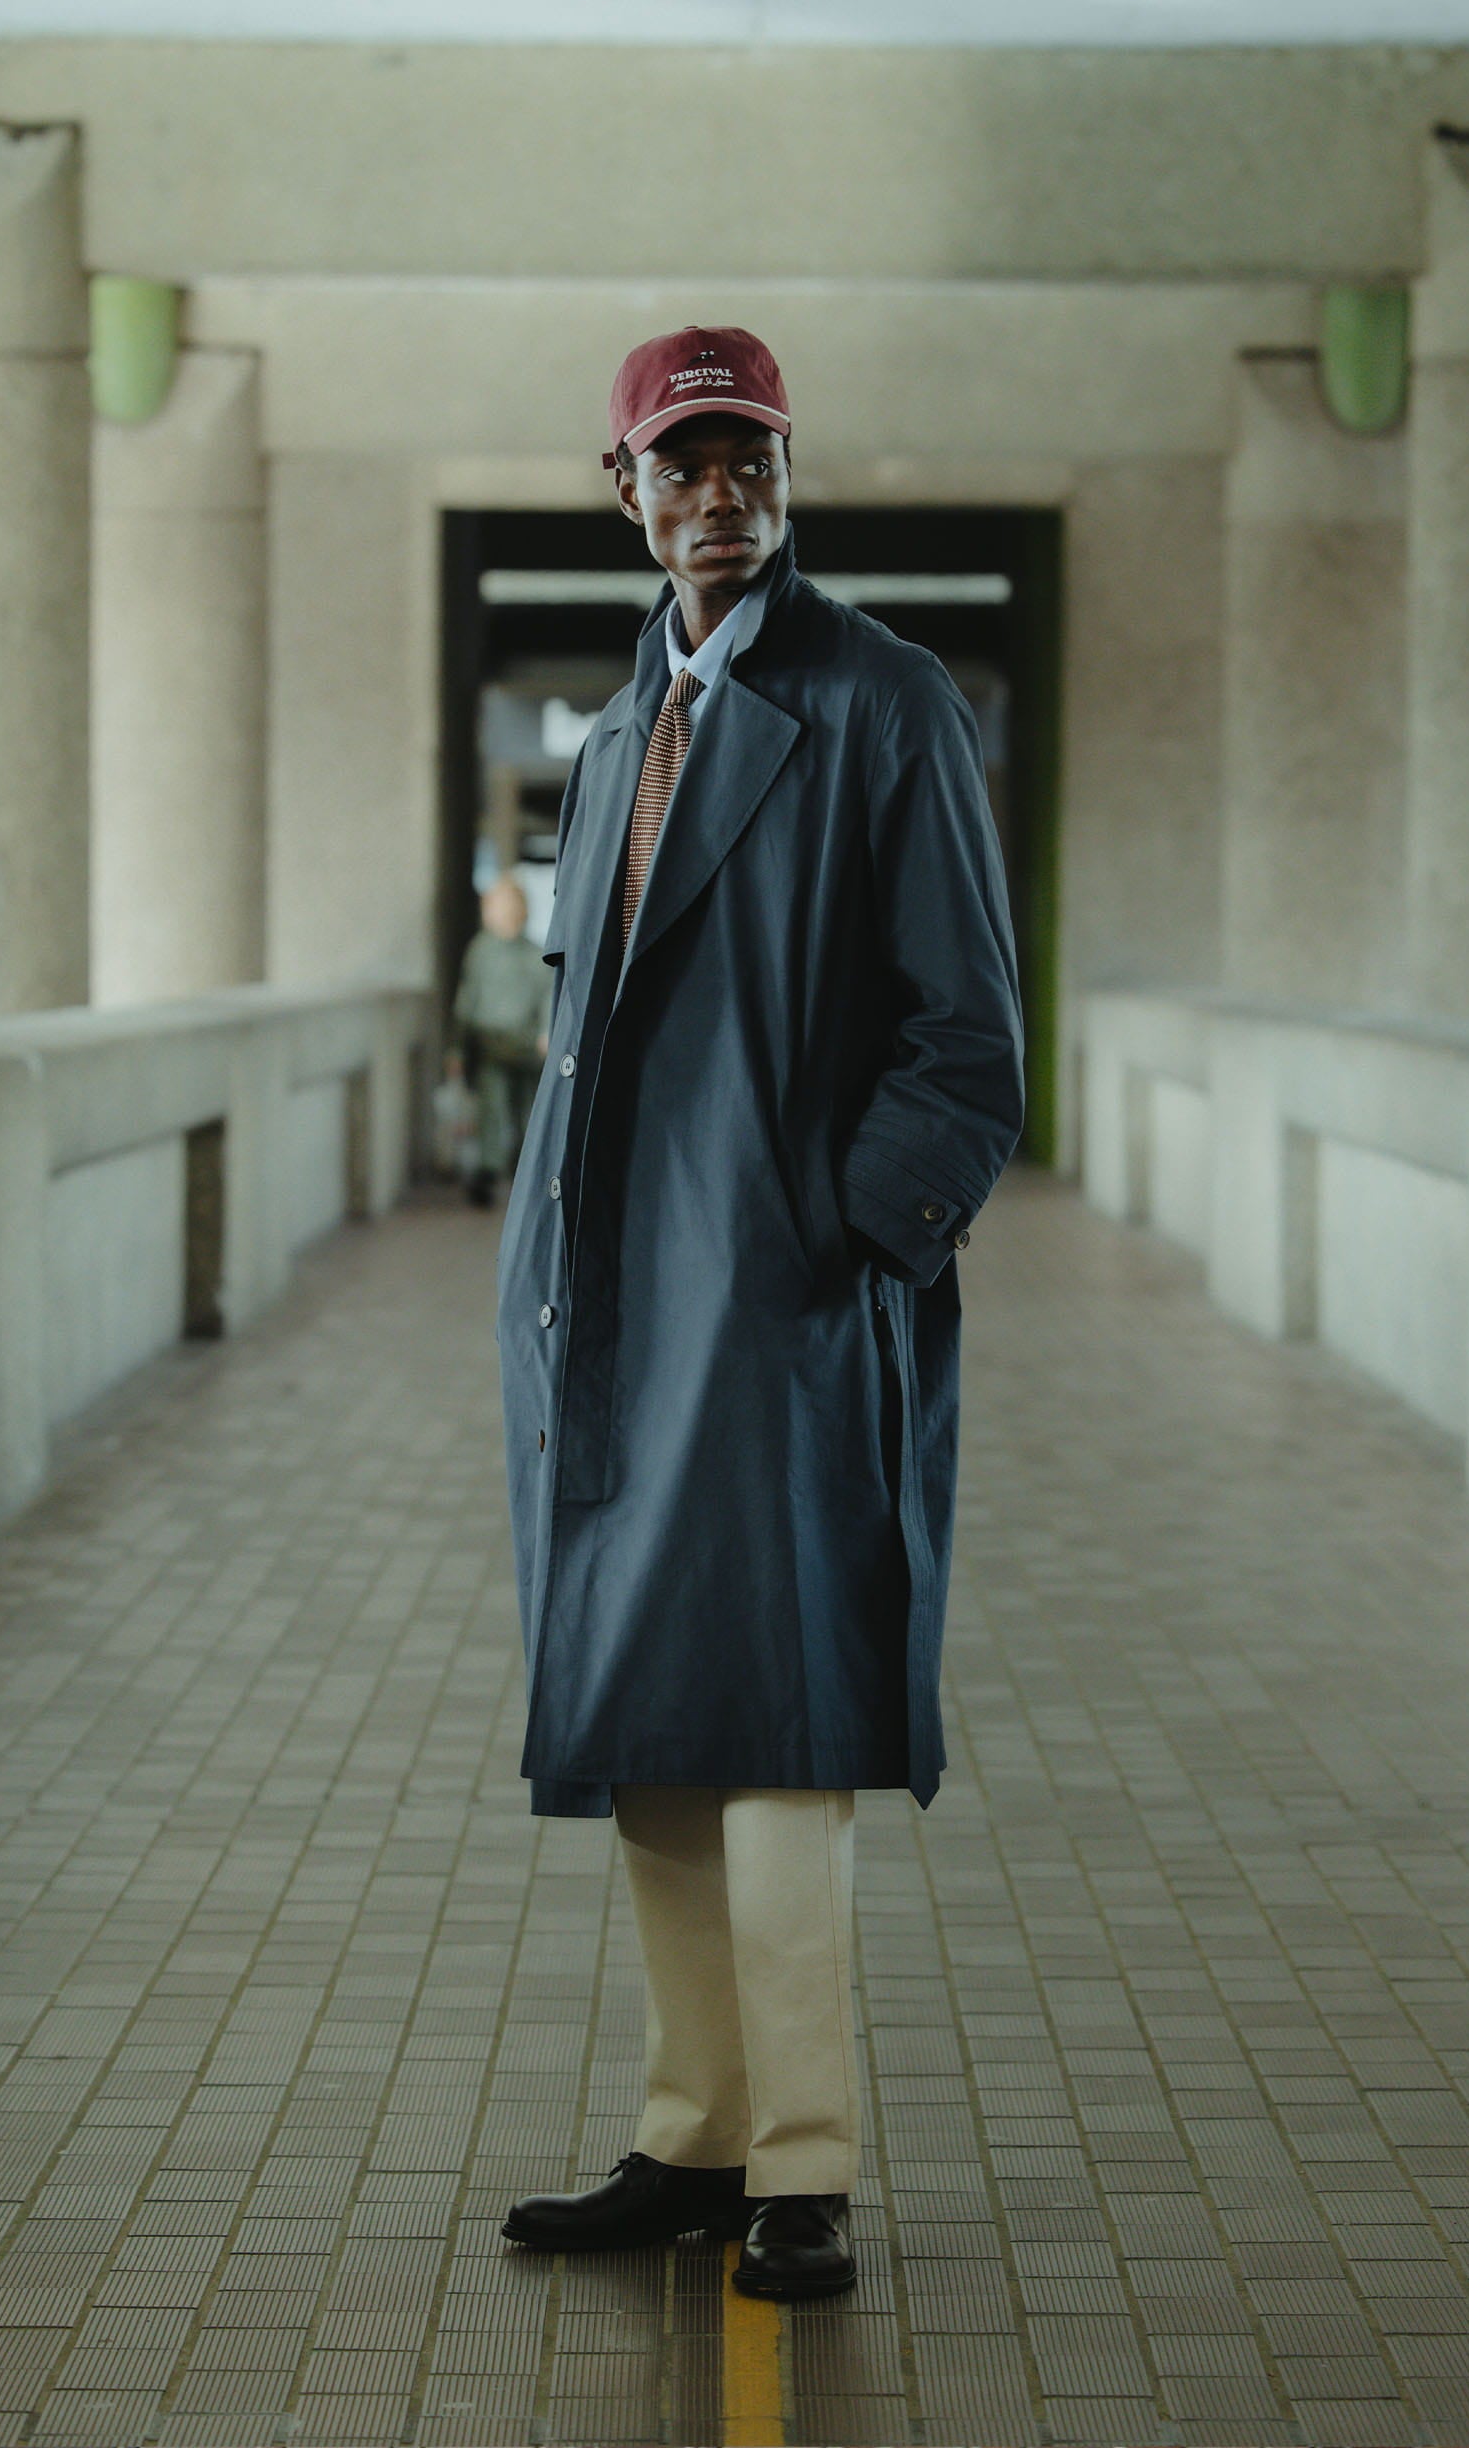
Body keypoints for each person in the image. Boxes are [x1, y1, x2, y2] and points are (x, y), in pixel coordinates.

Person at [494, 326, 1024, 2299]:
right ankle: (689, 2134)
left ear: (787, 477)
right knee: (656, 1724)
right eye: (680, 464)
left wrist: (843, 1240)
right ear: (623, 491)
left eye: (751, 459)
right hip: (613, 1303)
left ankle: (802, 2161)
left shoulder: (878, 703)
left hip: (781, 1297)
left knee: (786, 1729)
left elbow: (966, 1043)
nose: (719, 493)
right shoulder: (629, 716)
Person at [451, 875, 552, 1207]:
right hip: (490, 1043)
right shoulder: (481, 951)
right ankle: (488, 1170)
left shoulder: (536, 953)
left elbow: (547, 997)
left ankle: (525, 1173)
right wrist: (457, 1047)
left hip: (526, 1047)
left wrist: (545, 1032)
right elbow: (467, 1000)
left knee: (527, 1111)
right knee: (491, 1109)